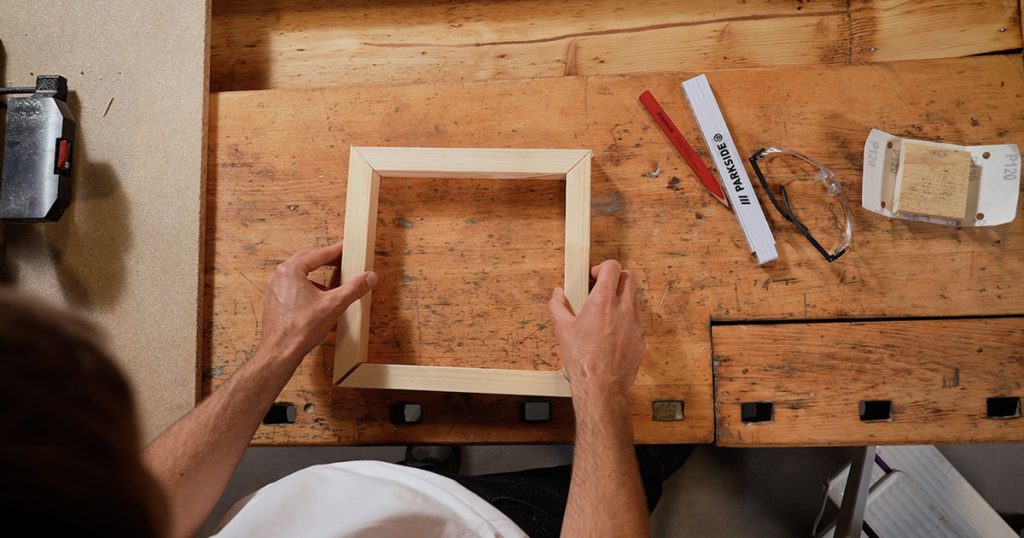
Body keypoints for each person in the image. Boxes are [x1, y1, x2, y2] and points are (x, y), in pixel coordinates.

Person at [1, 242, 688, 537]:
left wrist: (278, 349)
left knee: (417, 486)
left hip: (350, 507)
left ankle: (422, 474)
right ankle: (654, 463)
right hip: (491, 526)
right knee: (610, 476)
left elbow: (139, 510)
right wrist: (600, 389)